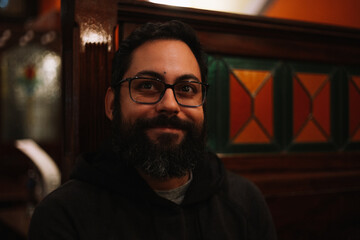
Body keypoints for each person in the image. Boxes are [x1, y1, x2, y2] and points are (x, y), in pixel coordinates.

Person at [28, 20, 276, 240]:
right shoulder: (63, 216)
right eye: (147, 85)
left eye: (187, 89)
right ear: (113, 105)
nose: (169, 105)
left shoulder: (245, 202)